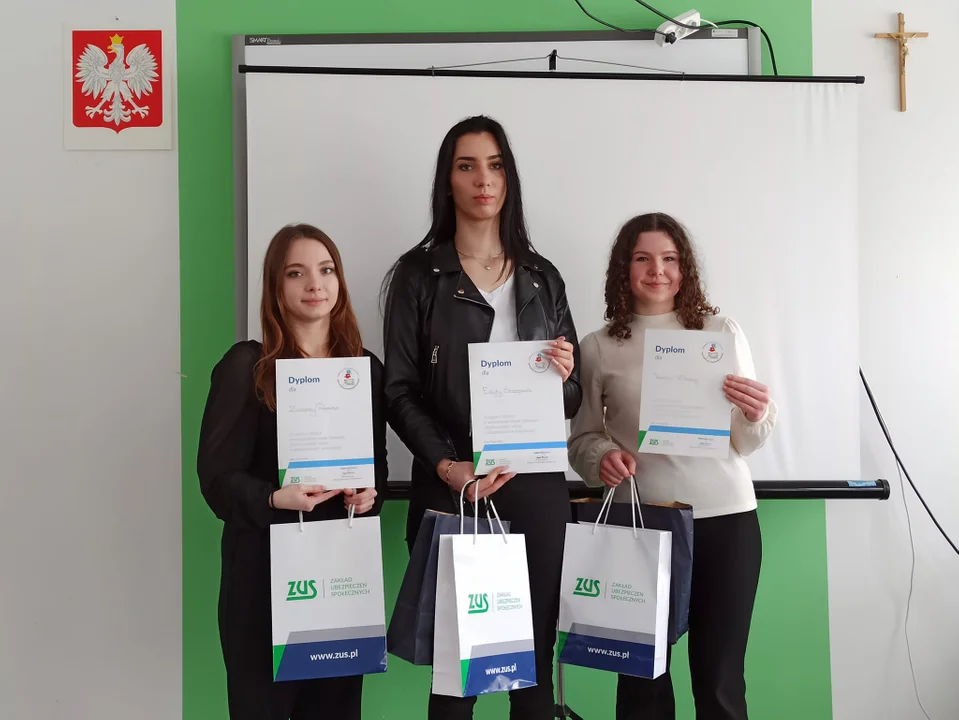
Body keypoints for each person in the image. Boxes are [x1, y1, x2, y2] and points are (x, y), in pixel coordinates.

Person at [380, 115, 581, 719]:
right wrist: (449, 467)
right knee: (456, 677)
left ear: (508, 178)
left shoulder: (542, 276)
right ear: (448, 181)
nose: (482, 180)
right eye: (466, 166)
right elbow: (398, 391)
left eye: (494, 166)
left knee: (533, 674)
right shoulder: (418, 275)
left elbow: (572, 400)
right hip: (454, 488)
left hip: (536, 487)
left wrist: (565, 377)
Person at [568, 212, 777, 720]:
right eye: (642, 258)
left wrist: (757, 413)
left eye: (669, 259)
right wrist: (602, 457)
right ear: (624, 269)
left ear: (685, 269)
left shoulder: (720, 331)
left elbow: (747, 442)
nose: (657, 270)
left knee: (720, 683)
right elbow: (582, 440)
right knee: (642, 685)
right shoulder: (598, 346)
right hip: (641, 525)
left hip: (725, 522)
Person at [197, 223, 388, 720]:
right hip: (262, 581)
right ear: (275, 287)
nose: (314, 284)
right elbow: (216, 480)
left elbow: (378, 471)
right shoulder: (247, 366)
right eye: (296, 273)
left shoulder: (363, 369)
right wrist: (274, 497)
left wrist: (369, 495)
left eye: (326, 270)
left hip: (341, 579)